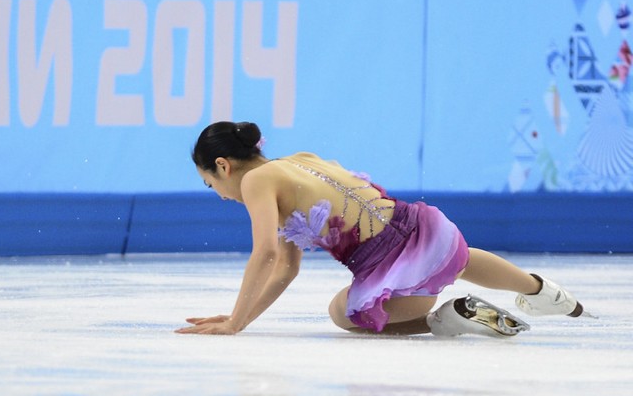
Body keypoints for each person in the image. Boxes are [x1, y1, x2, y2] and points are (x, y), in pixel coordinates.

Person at [176, 121, 586, 337]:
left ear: (224, 166)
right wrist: (240, 316)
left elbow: (265, 254)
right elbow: (285, 267)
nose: (222, 195)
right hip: (420, 229)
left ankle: (446, 321)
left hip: (389, 268)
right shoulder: (298, 160)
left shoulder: (254, 182)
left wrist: (234, 323)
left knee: (342, 313)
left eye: (212, 185)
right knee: (459, 259)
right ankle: (544, 292)